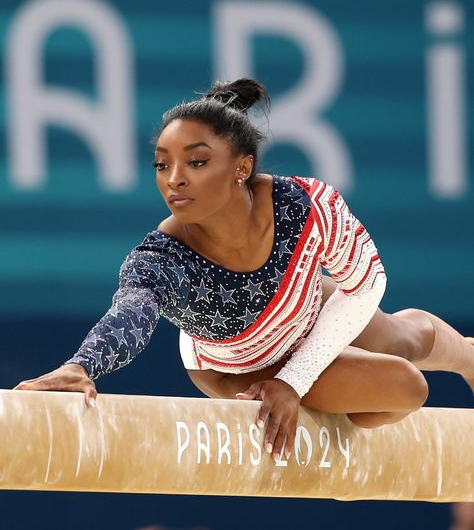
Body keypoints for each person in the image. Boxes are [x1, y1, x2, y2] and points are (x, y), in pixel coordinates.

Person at [16, 78, 474, 463]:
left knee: (403, 341)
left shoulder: (307, 207)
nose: (174, 178)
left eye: (196, 162)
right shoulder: (164, 258)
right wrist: (83, 365)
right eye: (162, 164)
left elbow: (368, 282)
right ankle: (327, 391)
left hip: (305, 307)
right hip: (242, 366)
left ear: (242, 166)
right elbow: (130, 315)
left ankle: (465, 354)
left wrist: (295, 381)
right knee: (404, 388)